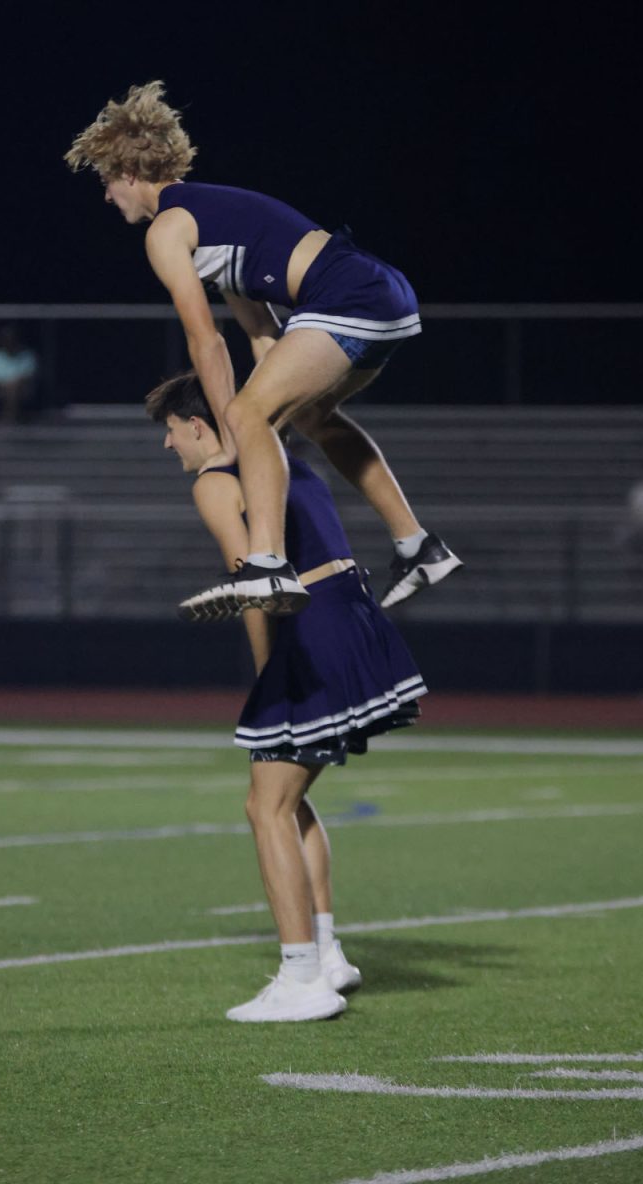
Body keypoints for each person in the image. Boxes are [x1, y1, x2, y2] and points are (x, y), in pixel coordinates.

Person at [66, 80, 462, 620]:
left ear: (130, 175)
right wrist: (263, 430)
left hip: (349, 296)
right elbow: (260, 333)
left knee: (247, 411)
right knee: (315, 418)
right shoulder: (212, 221)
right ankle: (418, 547)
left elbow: (205, 339)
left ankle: (268, 563)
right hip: (380, 293)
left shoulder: (165, 230)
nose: (107, 195)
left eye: (109, 182)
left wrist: (236, 433)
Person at [146, 370, 427, 1023]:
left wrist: (269, 672)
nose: (168, 446)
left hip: (315, 630)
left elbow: (258, 585)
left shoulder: (215, 482)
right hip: (355, 615)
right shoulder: (278, 457)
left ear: (196, 424)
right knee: (289, 800)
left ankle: (301, 977)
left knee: (264, 805)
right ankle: (327, 956)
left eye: (169, 431)